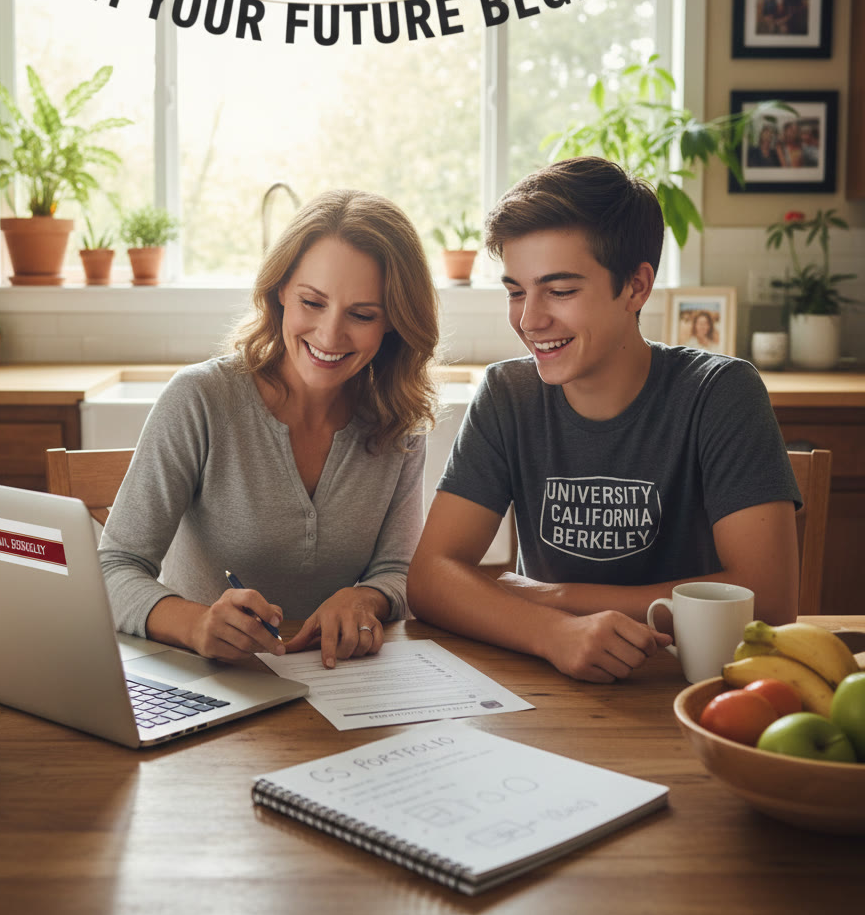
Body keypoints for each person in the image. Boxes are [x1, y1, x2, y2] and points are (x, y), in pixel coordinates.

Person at [407, 157, 801, 684]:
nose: (530, 320)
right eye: (516, 291)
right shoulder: (508, 394)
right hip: (549, 683)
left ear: (636, 287)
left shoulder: (718, 393)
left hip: (687, 690)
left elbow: (769, 603)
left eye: (561, 290)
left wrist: (558, 599)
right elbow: (431, 579)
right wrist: (552, 633)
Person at [100, 189, 440, 668]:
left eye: (362, 315)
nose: (329, 335)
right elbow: (112, 568)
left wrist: (367, 599)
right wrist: (196, 624)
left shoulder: (398, 421)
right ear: (280, 291)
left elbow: (399, 570)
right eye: (312, 302)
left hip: (337, 683)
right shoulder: (200, 399)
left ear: (394, 324)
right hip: (205, 681)